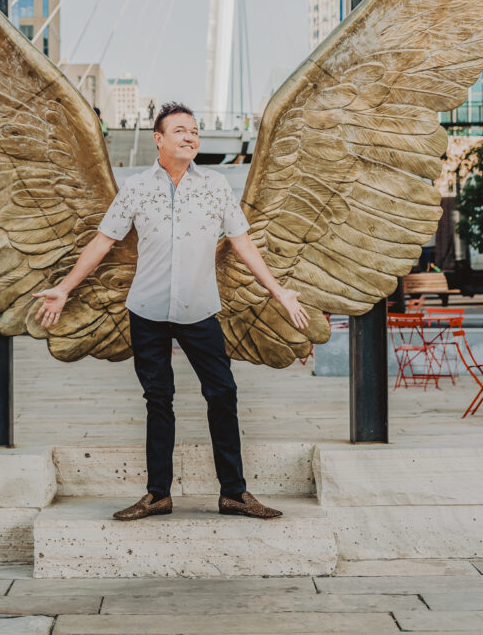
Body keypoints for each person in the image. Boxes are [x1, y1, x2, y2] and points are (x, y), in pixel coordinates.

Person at [32, 101, 309, 521]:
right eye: (180, 129)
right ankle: (157, 495)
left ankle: (234, 493)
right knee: (158, 400)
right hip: (147, 311)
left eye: (194, 130)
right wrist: (65, 289)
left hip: (200, 311)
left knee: (223, 395)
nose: (190, 136)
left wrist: (279, 293)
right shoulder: (137, 188)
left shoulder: (215, 185)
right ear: (158, 139)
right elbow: (103, 241)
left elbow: (243, 244)